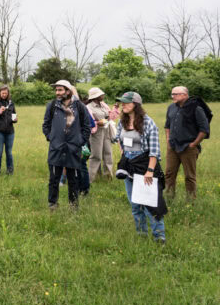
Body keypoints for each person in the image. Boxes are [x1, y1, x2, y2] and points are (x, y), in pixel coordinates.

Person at [113, 91, 166, 243]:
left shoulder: (148, 123)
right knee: (135, 204)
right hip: (129, 166)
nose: (123, 104)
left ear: (136, 104)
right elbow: (119, 139)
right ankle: (141, 235)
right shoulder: (122, 122)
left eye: (126, 102)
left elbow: (155, 151)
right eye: (122, 102)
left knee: (150, 205)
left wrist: (150, 171)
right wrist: (123, 153)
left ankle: (159, 237)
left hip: (144, 166)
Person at [42, 80, 91, 209]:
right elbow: (45, 125)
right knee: (53, 179)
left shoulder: (79, 106)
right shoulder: (52, 105)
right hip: (56, 148)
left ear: (68, 91)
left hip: (73, 149)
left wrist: (79, 142)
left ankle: (73, 206)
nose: (57, 93)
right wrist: (51, 138)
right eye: (56, 90)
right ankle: (52, 204)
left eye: (60, 90)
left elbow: (87, 127)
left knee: (73, 179)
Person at [165, 86, 210, 200]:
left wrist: (194, 144)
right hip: (173, 147)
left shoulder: (196, 108)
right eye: (172, 94)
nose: (172, 96)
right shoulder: (171, 107)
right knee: (169, 174)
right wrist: (168, 140)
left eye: (175, 94)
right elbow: (167, 126)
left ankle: (191, 201)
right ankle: (169, 198)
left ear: (185, 95)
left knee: (189, 176)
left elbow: (204, 129)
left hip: (188, 148)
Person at [86, 87, 113, 182]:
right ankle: (90, 179)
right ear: (95, 96)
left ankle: (108, 177)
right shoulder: (88, 107)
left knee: (108, 153)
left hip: (106, 131)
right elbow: (87, 122)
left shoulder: (103, 105)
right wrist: (98, 123)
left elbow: (109, 115)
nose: (103, 95)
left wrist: (112, 113)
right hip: (95, 133)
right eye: (101, 94)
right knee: (96, 156)